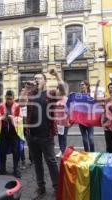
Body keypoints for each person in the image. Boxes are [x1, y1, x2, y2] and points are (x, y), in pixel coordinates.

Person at [20, 69, 65, 199]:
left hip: (46, 135)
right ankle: (41, 187)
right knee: (37, 163)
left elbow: (62, 91)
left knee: (51, 162)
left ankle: (57, 188)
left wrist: (57, 75)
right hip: (31, 135)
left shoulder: (50, 94)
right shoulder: (31, 94)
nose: (36, 80)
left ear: (45, 81)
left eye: (39, 78)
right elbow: (21, 102)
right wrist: (25, 88)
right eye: (35, 78)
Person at [0, 90, 24, 178]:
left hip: (14, 132)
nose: (8, 100)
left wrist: (12, 118)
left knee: (16, 151)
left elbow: (21, 118)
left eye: (10, 99)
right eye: (7, 99)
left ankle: (16, 169)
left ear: (13, 98)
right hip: (3, 131)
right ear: (5, 98)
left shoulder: (17, 106)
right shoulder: (1, 106)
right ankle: (2, 169)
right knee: (2, 150)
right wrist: (2, 118)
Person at [78, 80, 95, 152]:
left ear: (87, 86)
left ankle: (93, 153)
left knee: (91, 138)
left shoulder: (91, 95)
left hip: (89, 120)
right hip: (81, 120)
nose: (81, 86)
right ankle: (87, 154)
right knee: (84, 139)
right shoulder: (78, 96)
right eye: (80, 85)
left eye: (83, 84)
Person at [54, 86, 70, 158]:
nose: (56, 92)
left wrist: (69, 120)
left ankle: (64, 152)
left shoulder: (66, 99)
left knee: (63, 137)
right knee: (60, 137)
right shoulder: (56, 100)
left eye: (58, 91)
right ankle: (61, 150)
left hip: (65, 122)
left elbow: (70, 111)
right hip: (58, 123)